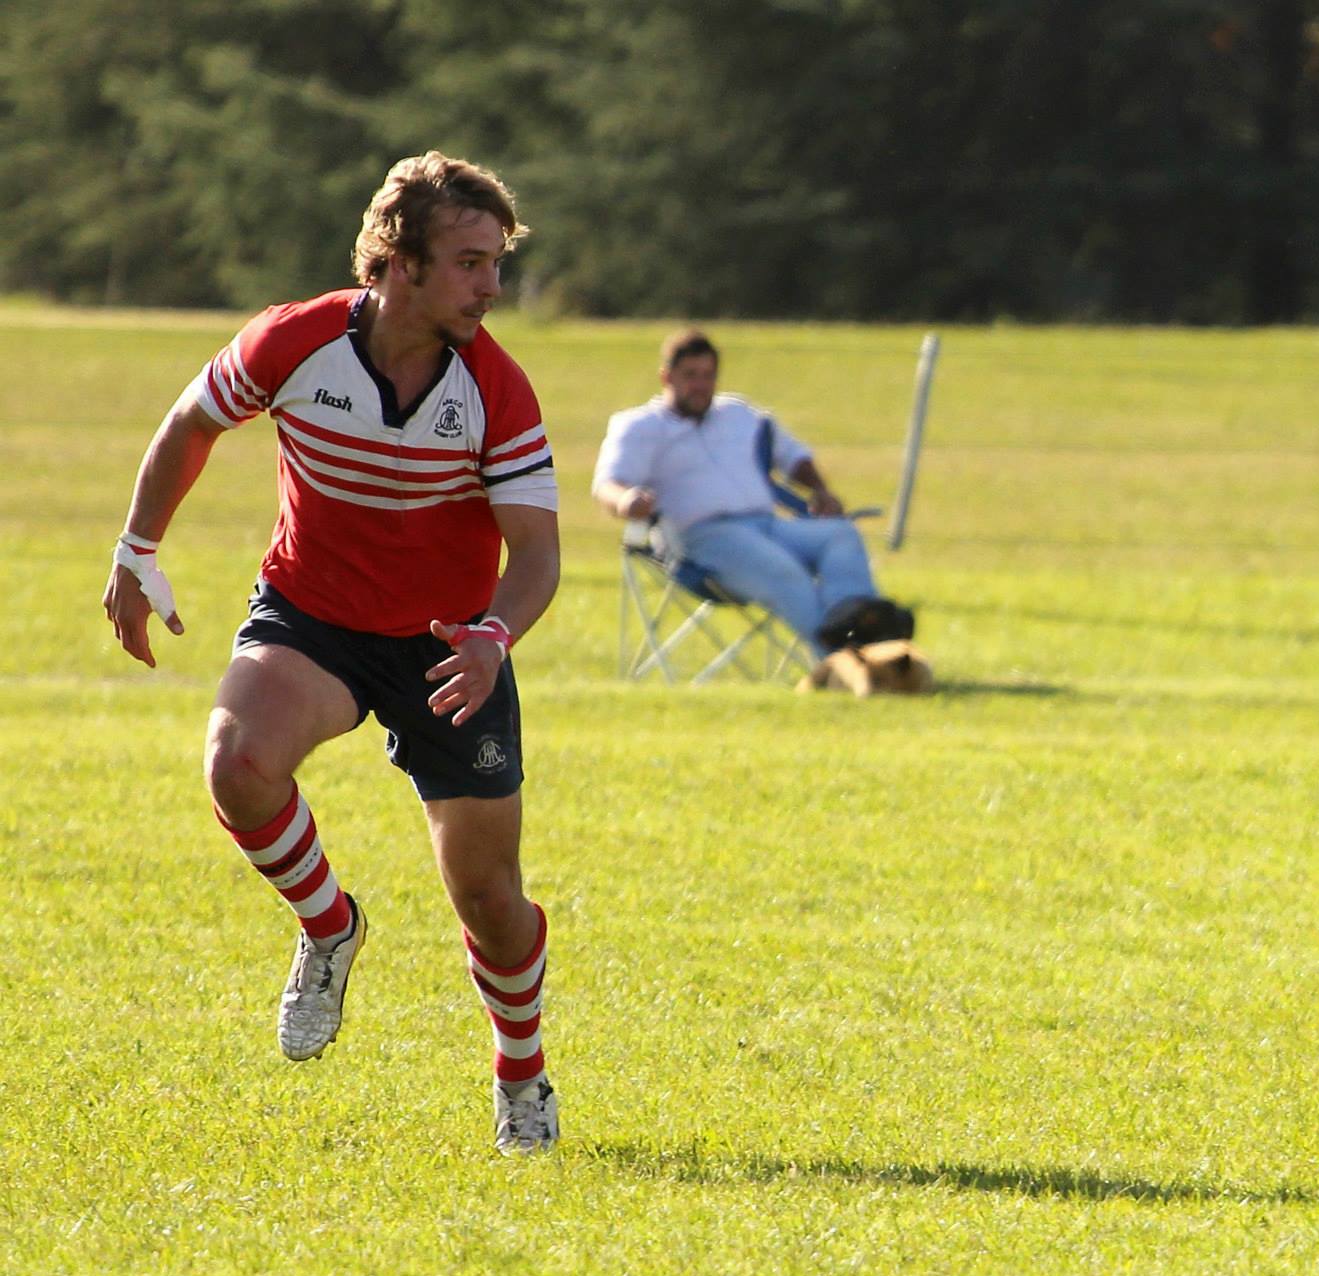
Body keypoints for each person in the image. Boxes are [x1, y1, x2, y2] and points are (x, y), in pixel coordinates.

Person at [100, 151, 564, 1156]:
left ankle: (521, 1077)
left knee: (489, 900)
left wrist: (492, 635)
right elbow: (191, 424)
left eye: (497, 263)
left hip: (448, 648)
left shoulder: (495, 388)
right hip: (313, 616)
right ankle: (327, 926)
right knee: (237, 763)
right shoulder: (296, 341)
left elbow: (535, 554)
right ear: (397, 264)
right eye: (471, 263)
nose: (492, 287)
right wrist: (137, 549)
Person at [592, 329, 898, 657]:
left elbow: (793, 456)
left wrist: (820, 490)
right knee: (784, 569)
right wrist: (626, 501)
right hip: (701, 539)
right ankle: (842, 661)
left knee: (840, 535)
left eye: (708, 375)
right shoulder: (639, 426)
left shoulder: (738, 414)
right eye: (690, 375)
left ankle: (861, 631)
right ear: (666, 377)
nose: (701, 385)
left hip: (767, 525)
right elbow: (607, 483)